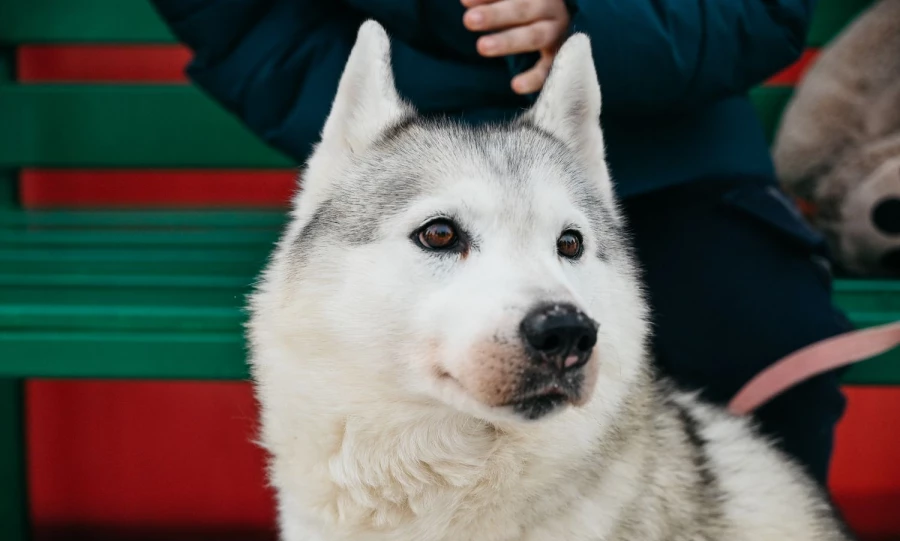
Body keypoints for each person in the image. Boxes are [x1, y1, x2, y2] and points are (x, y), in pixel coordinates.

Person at [149, 0, 850, 487]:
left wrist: (593, 26)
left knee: (767, 343)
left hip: (672, 158)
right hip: (410, 162)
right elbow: (243, 21)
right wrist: (378, 113)